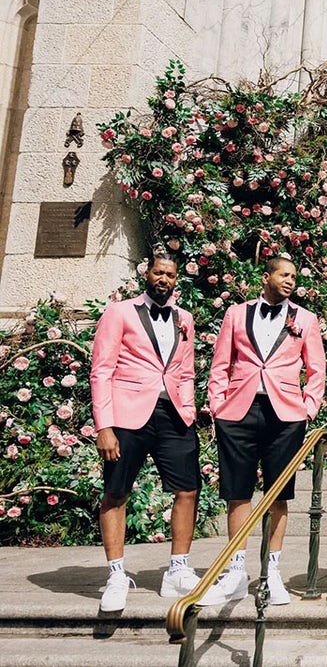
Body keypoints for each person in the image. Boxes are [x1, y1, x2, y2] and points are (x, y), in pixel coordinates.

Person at [200, 255, 326, 606]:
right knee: (237, 492)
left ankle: (271, 573)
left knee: (278, 495)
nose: (290, 281)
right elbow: (220, 364)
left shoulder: (306, 319)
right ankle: (236, 572)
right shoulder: (236, 314)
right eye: (284, 274)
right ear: (266, 276)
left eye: (294, 277)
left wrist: (308, 409)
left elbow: (316, 370)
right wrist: (217, 407)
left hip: (285, 415)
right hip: (237, 412)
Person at [90, 253, 201, 612]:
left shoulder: (185, 318)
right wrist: (104, 426)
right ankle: (117, 575)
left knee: (188, 488)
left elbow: (186, 369)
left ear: (175, 279)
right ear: (147, 273)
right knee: (116, 492)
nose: (164, 279)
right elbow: (101, 371)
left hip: (173, 415)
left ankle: (178, 569)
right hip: (126, 416)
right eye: (158, 272)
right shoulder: (119, 312)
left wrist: (189, 409)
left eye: (170, 274)